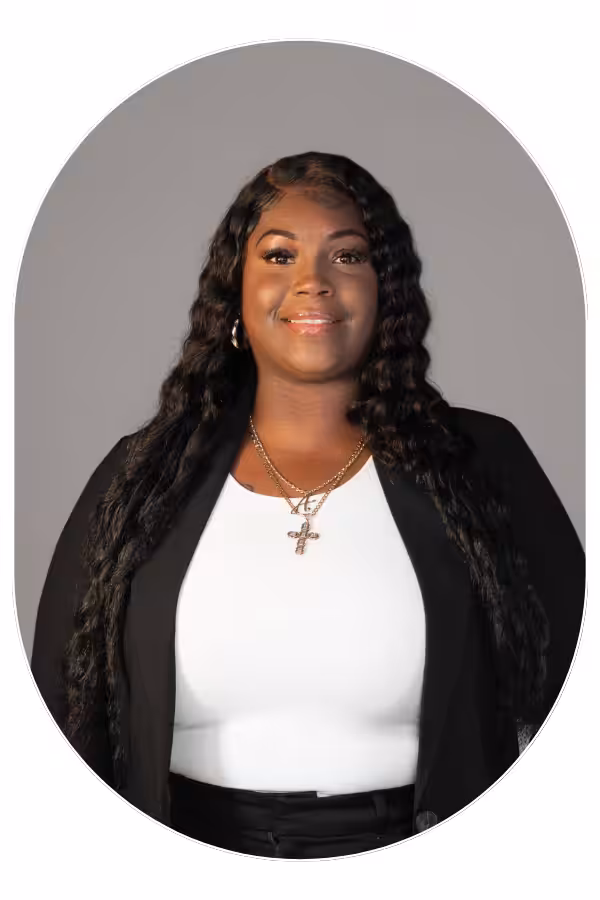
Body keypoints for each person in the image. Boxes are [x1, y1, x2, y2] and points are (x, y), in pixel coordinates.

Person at [31, 150, 585, 860]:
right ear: (234, 293)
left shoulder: (481, 464)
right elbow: (58, 713)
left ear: (385, 292)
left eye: (348, 256)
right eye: (279, 255)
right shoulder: (141, 478)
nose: (313, 281)